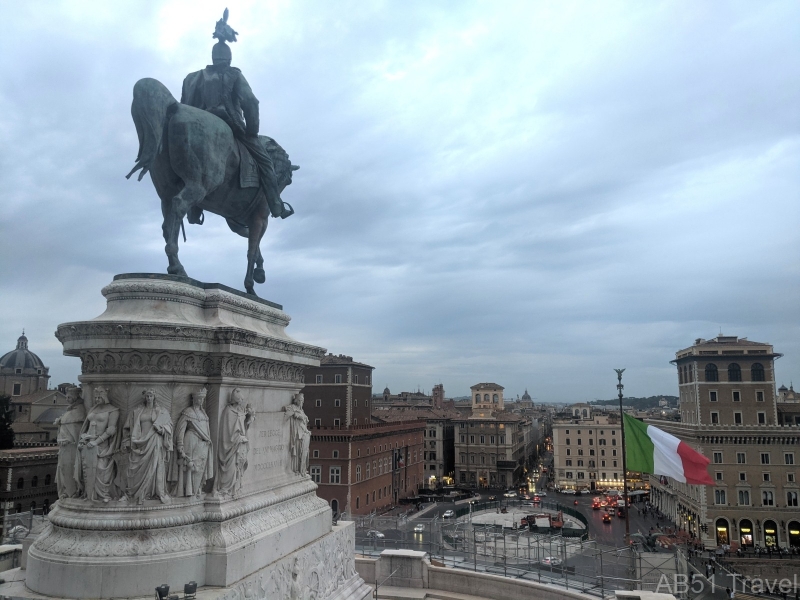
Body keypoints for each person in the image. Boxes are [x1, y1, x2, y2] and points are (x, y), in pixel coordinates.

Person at [181, 11, 293, 221]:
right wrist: (251, 131)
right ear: (229, 58)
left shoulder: (192, 78)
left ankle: (194, 209)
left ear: (214, 56)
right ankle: (276, 205)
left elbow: (183, 107)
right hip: (230, 124)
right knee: (267, 164)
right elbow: (251, 103)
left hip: (194, 126)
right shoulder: (233, 74)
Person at [122, 389, 173, 504]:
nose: (149, 398)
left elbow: (169, 426)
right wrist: (126, 440)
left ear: (154, 397)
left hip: (154, 441)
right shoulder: (137, 411)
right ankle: (133, 493)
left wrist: (162, 430)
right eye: (147, 396)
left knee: (154, 467)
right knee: (134, 467)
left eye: (151, 396)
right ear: (145, 397)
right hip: (139, 441)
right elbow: (128, 427)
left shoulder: (161, 411)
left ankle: (151, 492)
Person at [77, 387, 120, 502]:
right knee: (88, 469)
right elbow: (86, 427)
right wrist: (83, 439)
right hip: (88, 443)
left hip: (102, 444)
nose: (97, 399)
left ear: (105, 397)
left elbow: (111, 430)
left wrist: (96, 441)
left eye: (99, 397)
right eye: (95, 397)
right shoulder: (92, 410)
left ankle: (104, 495)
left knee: (101, 469)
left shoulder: (113, 410)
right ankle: (90, 494)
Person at [170, 388, 214, 497]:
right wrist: (180, 445)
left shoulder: (204, 414)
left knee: (200, 467)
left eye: (202, 399)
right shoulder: (188, 412)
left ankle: (197, 488)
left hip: (203, 444)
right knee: (189, 467)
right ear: (194, 399)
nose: (201, 401)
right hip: (190, 441)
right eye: (199, 399)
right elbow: (180, 429)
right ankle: (187, 490)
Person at [215, 388, 255, 496]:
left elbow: (244, 426)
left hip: (240, 444)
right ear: (235, 400)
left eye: (242, 401)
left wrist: (249, 417)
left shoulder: (241, 411)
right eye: (240, 400)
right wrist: (237, 439)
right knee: (231, 468)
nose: (241, 403)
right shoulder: (228, 411)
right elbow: (226, 432)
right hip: (231, 445)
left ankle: (235, 489)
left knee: (239, 467)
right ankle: (225, 489)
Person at [54, 386, 86, 499]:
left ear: (76, 397)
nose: (67, 399)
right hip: (64, 446)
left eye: (69, 396)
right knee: (63, 468)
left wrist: (61, 421)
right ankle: (67, 491)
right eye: (66, 396)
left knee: (69, 468)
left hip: (72, 446)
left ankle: (72, 492)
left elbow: (74, 428)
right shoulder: (71, 410)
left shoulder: (80, 410)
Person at [283, 392, 310, 476]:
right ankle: (297, 469)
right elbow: (286, 410)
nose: (302, 402)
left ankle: (302, 469)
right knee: (299, 451)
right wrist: (295, 414)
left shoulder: (301, 410)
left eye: (303, 400)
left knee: (303, 452)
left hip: (304, 433)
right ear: (297, 401)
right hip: (298, 434)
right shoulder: (293, 408)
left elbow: (305, 421)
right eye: (301, 400)